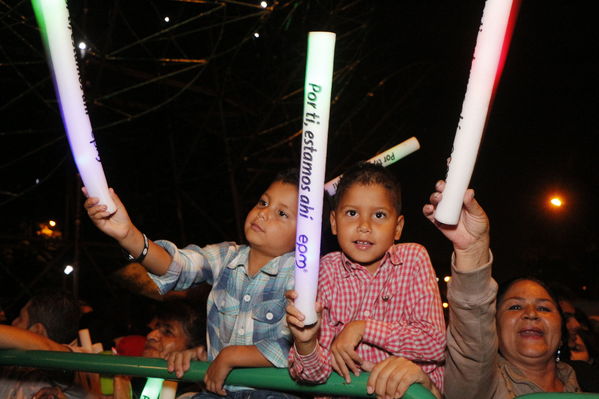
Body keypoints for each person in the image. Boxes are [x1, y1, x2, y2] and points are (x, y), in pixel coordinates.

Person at [84, 169, 299, 397]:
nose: (264, 213)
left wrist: (231, 355)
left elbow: (302, 347)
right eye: (263, 202)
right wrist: (128, 234)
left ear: (305, 233)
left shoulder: (303, 275)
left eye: (282, 213)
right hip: (218, 392)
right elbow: (178, 266)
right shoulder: (226, 257)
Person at [286, 162, 445, 398]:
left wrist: (363, 328)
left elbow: (434, 343)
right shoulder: (325, 271)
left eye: (379, 215)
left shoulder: (413, 259)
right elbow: (314, 376)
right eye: (352, 213)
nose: (364, 226)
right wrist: (306, 343)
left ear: (398, 227)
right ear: (333, 222)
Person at [423, 180, 582, 399]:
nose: (531, 314)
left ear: (563, 332)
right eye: (515, 306)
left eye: (544, 309)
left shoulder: (589, 380)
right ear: (493, 328)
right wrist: (472, 251)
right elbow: (473, 337)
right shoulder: (483, 388)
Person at [0, 291, 87, 398]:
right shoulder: (13, 366)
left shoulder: (77, 365)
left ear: (37, 331)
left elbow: (49, 349)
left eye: (20, 318)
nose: (13, 322)